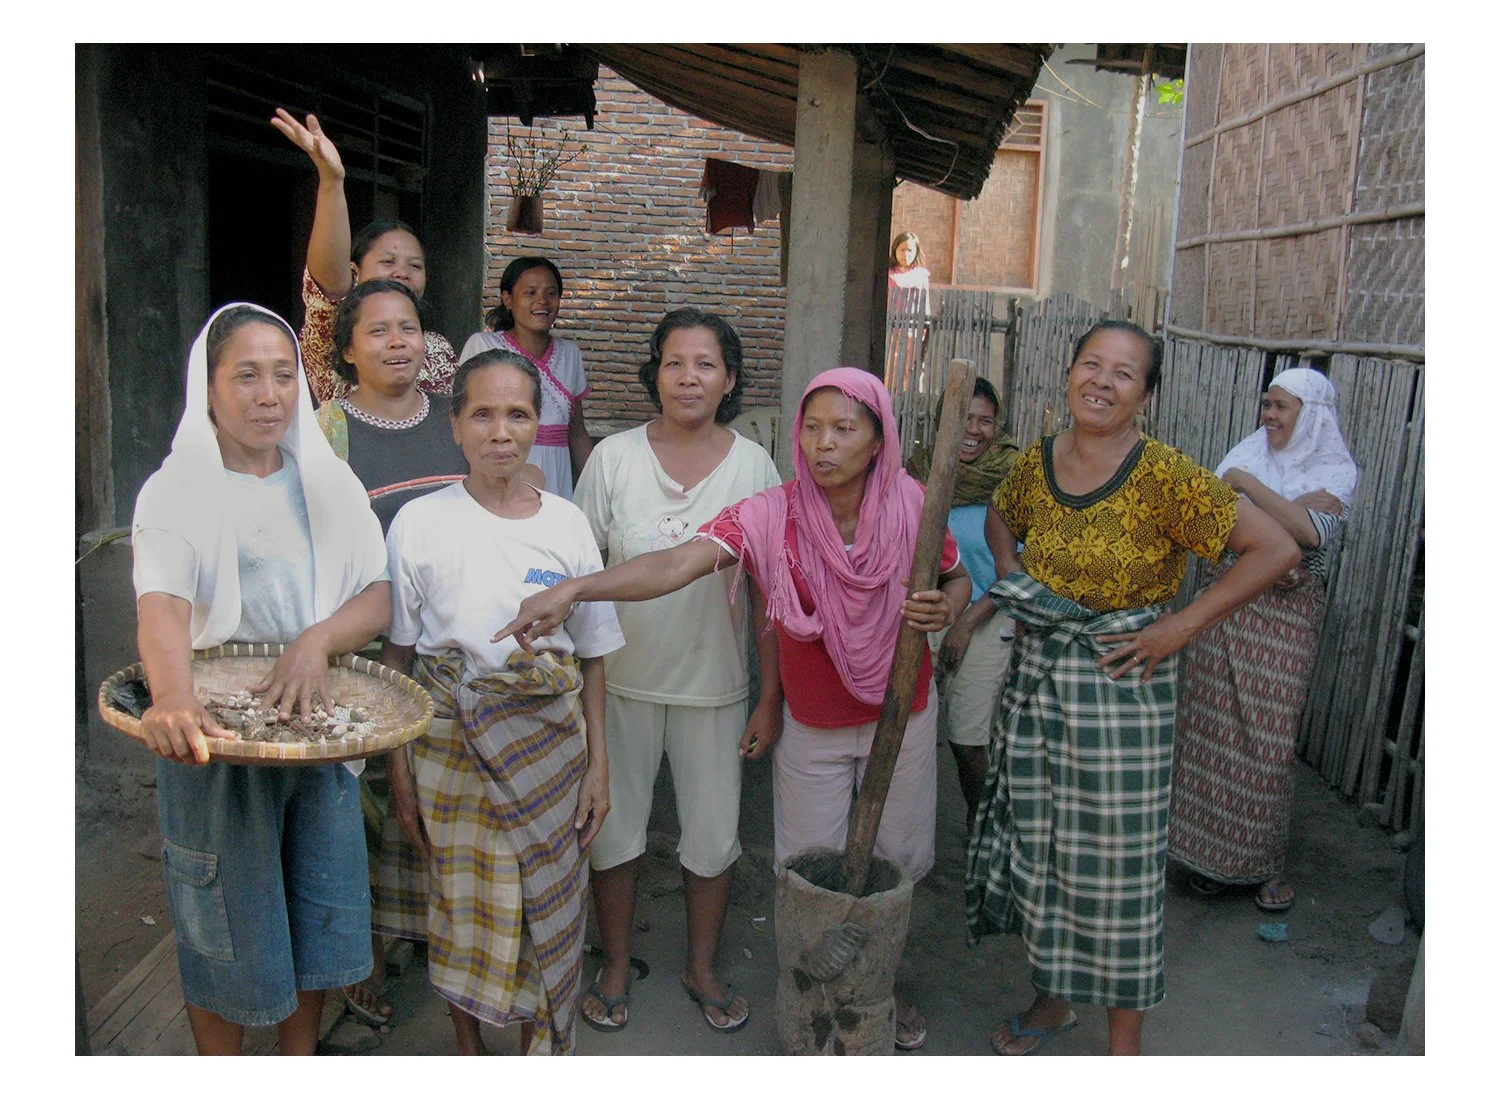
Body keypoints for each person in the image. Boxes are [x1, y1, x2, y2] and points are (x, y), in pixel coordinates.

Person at [495, 367, 972, 1052]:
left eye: (844, 429)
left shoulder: (912, 505)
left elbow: (954, 574)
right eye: (812, 428)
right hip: (813, 720)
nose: (822, 444)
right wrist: (578, 588)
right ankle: (813, 999)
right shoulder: (772, 513)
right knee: (806, 869)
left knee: (894, 864)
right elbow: (675, 565)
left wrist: (946, 607)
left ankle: (875, 994)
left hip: (901, 709)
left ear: (878, 441)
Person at [968, 320, 1300, 1056]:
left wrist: (1181, 626)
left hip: (1124, 687)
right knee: (1045, 847)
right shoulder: (1038, 460)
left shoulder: (1165, 476)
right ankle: (1053, 1001)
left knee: (1117, 865)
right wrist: (1016, 581)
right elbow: (1001, 517)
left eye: (1124, 373)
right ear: (1067, 373)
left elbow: (1273, 548)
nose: (1102, 382)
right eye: (1091, 364)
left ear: (1145, 395)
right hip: (1040, 680)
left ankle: (1124, 1046)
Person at [130, 303, 391, 1054]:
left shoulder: (327, 481)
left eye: (283, 375)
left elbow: (374, 594)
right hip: (217, 736)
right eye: (246, 375)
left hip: (313, 728)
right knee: (225, 924)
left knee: (315, 910)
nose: (268, 394)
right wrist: (176, 700)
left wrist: (317, 640)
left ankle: (296, 1063)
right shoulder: (178, 490)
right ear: (207, 388)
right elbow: (163, 609)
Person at [381, 350, 624, 1055]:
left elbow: (595, 658)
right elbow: (399, 661)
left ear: (536, 425)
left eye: (517, 414)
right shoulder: (419, 525)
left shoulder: (568, 526)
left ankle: (529, 1052)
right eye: (481, 414)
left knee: (543, 908)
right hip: (448, 751)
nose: (500, 432)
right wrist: (400, 773)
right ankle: (471, 1053)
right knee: (461, 908)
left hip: (551, 752)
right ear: (454, 426)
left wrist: (598, 766)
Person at [570, 308, 782, 1035]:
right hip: (619, 685)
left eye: (706, 364)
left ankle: (700, 966)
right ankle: (614, 961)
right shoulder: (613, 459)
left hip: (715, 688)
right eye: (674, 362)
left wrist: (767, 697)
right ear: (653, 372)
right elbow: (580, 571)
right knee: (612, 831)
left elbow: (767, 592)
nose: (689, 377)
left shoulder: (754, 467)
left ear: (729, 380)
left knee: (714, 838)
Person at [1168, 367, 1357, 913]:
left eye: (1281, 408)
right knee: (1209, 728)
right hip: (1226, 607)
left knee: (1268, 740)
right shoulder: (1247, 453)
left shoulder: (1334, 468)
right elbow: (1238, 517)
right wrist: (1284, 505)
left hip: (1284, 622)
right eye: (1266, 405)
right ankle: (1204, 857)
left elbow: (1311, 534)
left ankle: (1261, 865)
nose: (1268, 417)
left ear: (1312, 417)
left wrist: (1250, 491)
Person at [271, 109, 456, 404]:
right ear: (355, 271)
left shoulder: (437, 348)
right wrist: (332, 182)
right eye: (388, 261)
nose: (403, 272)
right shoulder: (332, 335)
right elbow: (330, 282)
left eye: (415, 265)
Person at [906, 375, 1021, 828]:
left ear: (998, 426)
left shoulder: (1013, 480)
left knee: (968, 739)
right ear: (940, 424)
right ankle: (907, 834)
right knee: (908, 730)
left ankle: (981, 833)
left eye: (985, 421)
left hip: (988, 615)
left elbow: (1024, 565)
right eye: (963, 418)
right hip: (923, 613)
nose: (973, 429)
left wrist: (967, 621)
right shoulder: (918, 472)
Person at [459, 257, 593, 499]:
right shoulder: (483, 345)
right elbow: (463, 419)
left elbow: (576, 430)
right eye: (530, 292)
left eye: (551, 293)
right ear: (507, 299)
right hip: (497, 470)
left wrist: (600, 483)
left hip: (557, 476)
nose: (542, 300)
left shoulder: (570, 353)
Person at [887, 231, 931, 295]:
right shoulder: (887, 273)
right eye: (902, 250)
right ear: (895, 250)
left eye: (910, 250)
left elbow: (924, 302)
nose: (906, 254)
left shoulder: (921, 276)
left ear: (916, 252)